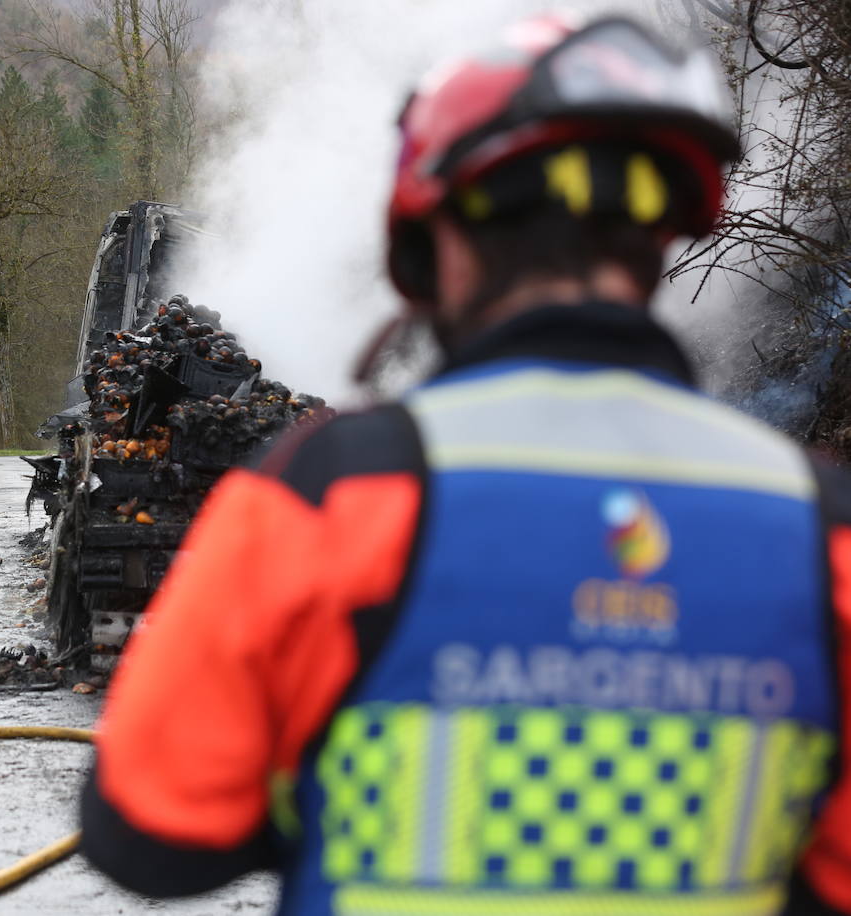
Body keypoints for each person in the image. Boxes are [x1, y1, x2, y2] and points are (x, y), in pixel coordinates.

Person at [79, 14, 851, 915]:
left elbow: (144, 831)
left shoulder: (333, 497)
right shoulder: (816, 532)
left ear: (426, 244)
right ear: (666, 235)